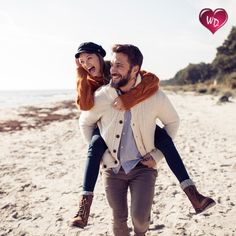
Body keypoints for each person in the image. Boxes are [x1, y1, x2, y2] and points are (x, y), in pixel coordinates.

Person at [72, 42, 215, 229]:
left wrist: (156, 155)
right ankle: (84, 205)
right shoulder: (95, 86)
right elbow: (84, 111)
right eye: (81, 61)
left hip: (140, 138)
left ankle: (192, 193)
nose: (86, 63)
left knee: (163, 138)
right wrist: (82, 75)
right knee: (96, 145)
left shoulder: (117, 71)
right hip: (109, 143)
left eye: (89, 58)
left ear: (100, 56)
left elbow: (152, 80)